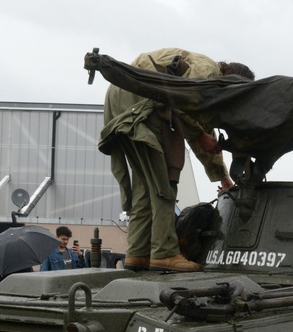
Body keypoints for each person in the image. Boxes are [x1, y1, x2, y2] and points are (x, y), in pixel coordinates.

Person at [98, 48, 254, 272]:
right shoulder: (208, 69)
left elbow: (201, 133)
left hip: (122, 93)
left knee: (146, 185)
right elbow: (181, 102)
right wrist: (200, 135)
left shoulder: (202, 74)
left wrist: (224, 178)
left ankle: (138, 253)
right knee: (163, 182)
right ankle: (164, 253)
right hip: (141, 95)